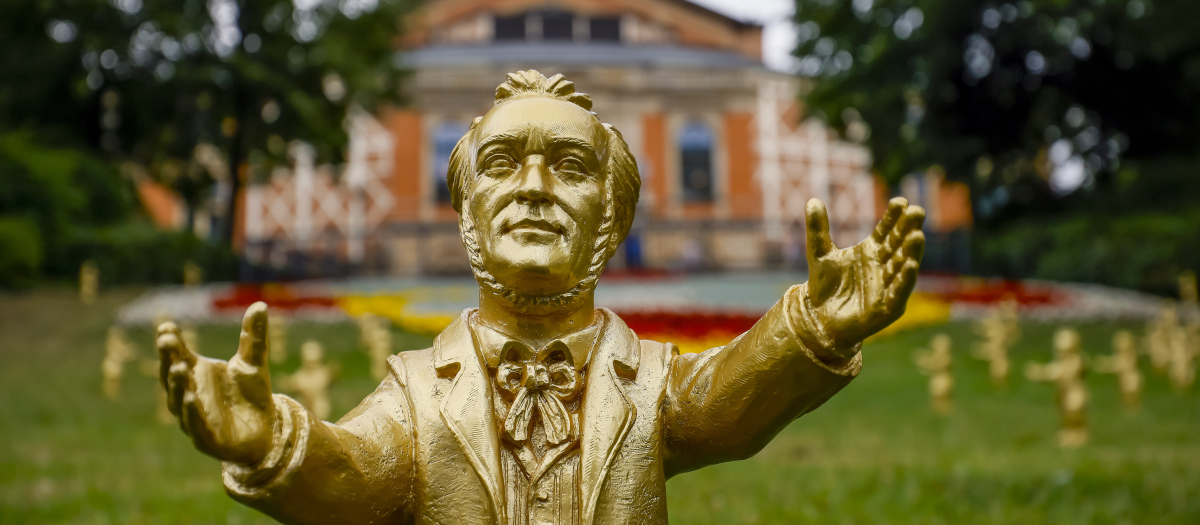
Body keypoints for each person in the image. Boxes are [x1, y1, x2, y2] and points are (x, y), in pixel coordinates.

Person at [154, 71, 926, 525]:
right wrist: (272, 443)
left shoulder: (648, 379)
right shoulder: (420, 391)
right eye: (501, 163)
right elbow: (355, 472)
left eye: (568, 165)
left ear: (614, 215)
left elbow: (729, 405)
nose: (532, 189)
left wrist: (815, 328)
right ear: (464, 210)